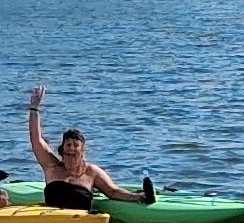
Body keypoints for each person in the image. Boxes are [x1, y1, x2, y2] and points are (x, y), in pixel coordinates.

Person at [25, 86, 155, 214]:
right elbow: (36, 139)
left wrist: (139, 197)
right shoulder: (51, 165)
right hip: (53, 219)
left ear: (83, 150)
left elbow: (113, 191)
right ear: (62, 149)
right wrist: (34, 109)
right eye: (68, 145)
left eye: (76, 145)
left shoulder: (92, 172)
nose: (71, 149)